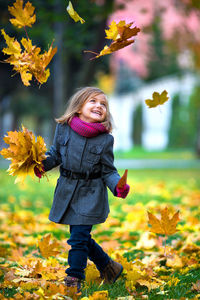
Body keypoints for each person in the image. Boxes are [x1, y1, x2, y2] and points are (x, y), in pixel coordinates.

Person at [35, 86, 130, 293]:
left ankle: (74, 279)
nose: (99, 106)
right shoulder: (64, 128)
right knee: (82, 237)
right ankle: (109, 267)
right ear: (79, 107)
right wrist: (42, 165)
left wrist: (118, 186)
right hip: (68, 190)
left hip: (90, 192)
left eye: (103, 104)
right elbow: (56, 155)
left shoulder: (105, 139)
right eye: (93, 101)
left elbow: (108, 170)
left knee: (78, 238)